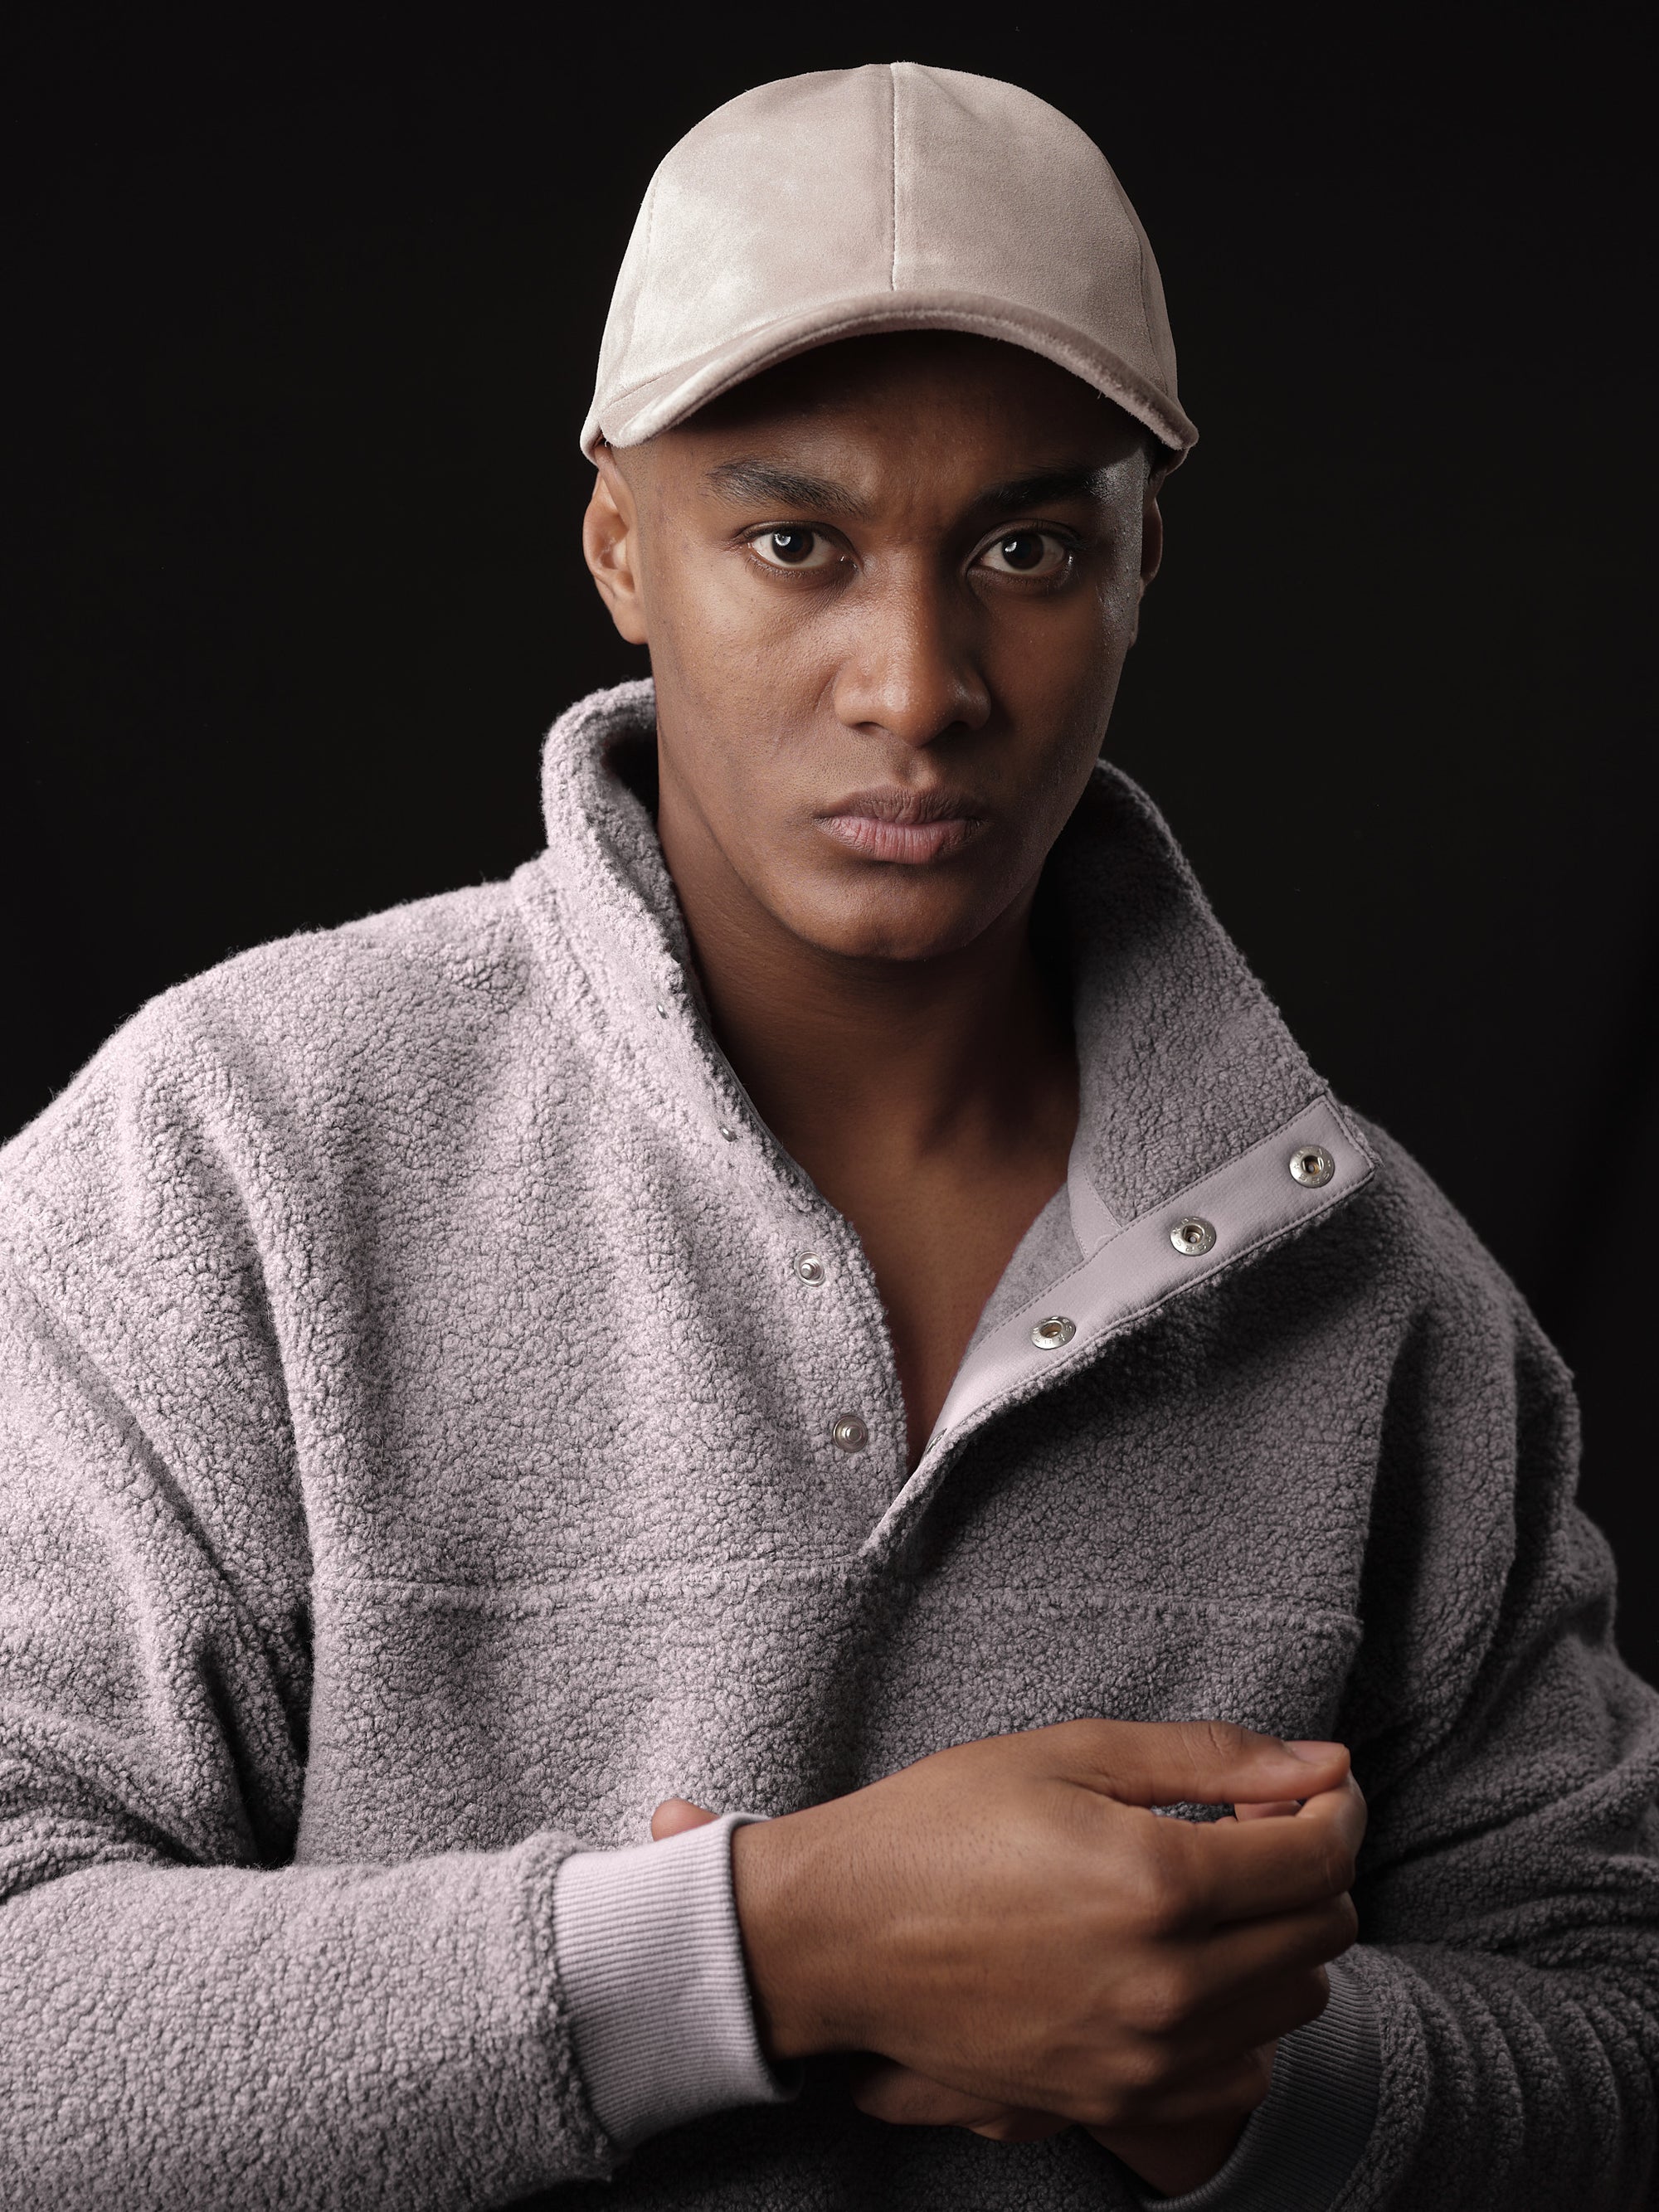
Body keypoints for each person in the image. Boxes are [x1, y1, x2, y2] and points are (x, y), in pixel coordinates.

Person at [0, 60, 1653, 2212]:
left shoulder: (1377, 1293)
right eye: (797, 540)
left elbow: (1612, 2032)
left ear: (1151, 556)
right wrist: (772, 1950)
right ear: (619, 540)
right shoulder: (232, 1147)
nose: (919, 680)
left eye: (1028, 545)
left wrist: (1238, 2077)